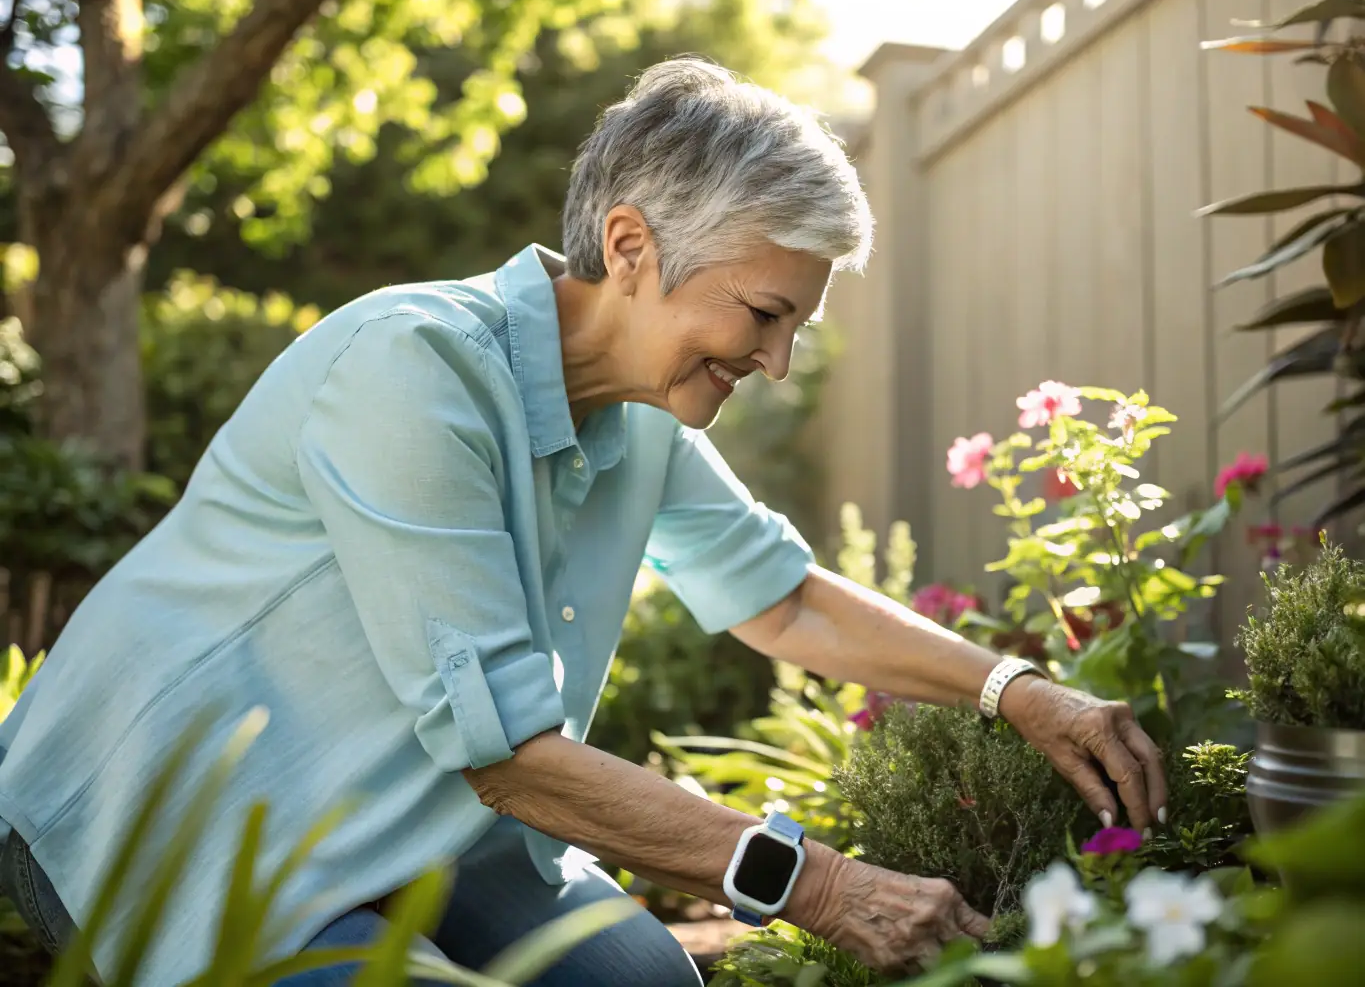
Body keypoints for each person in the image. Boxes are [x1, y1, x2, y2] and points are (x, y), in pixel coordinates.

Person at [0, 58, 1167, 987]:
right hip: (177, 826)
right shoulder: (413, 373)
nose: (780, 360)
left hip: (418, 820)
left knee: (647, 982)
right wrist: (817, 885)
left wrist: (1025, 691)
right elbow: (509, 757)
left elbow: (786, 596)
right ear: (629, 247)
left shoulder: (641, 416)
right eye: (765, 312)